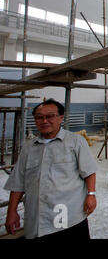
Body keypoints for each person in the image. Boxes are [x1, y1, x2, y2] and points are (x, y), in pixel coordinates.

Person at [4, 99, 97, 239]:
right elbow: (18, 181)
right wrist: (11, 211)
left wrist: (91, 195)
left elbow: (89, 171)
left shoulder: (75, 142)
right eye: (39, 117)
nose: (44, 121)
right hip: (38, 217)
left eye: (50, 116)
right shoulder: (29, 147)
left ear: (60, 118)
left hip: (69, 215)